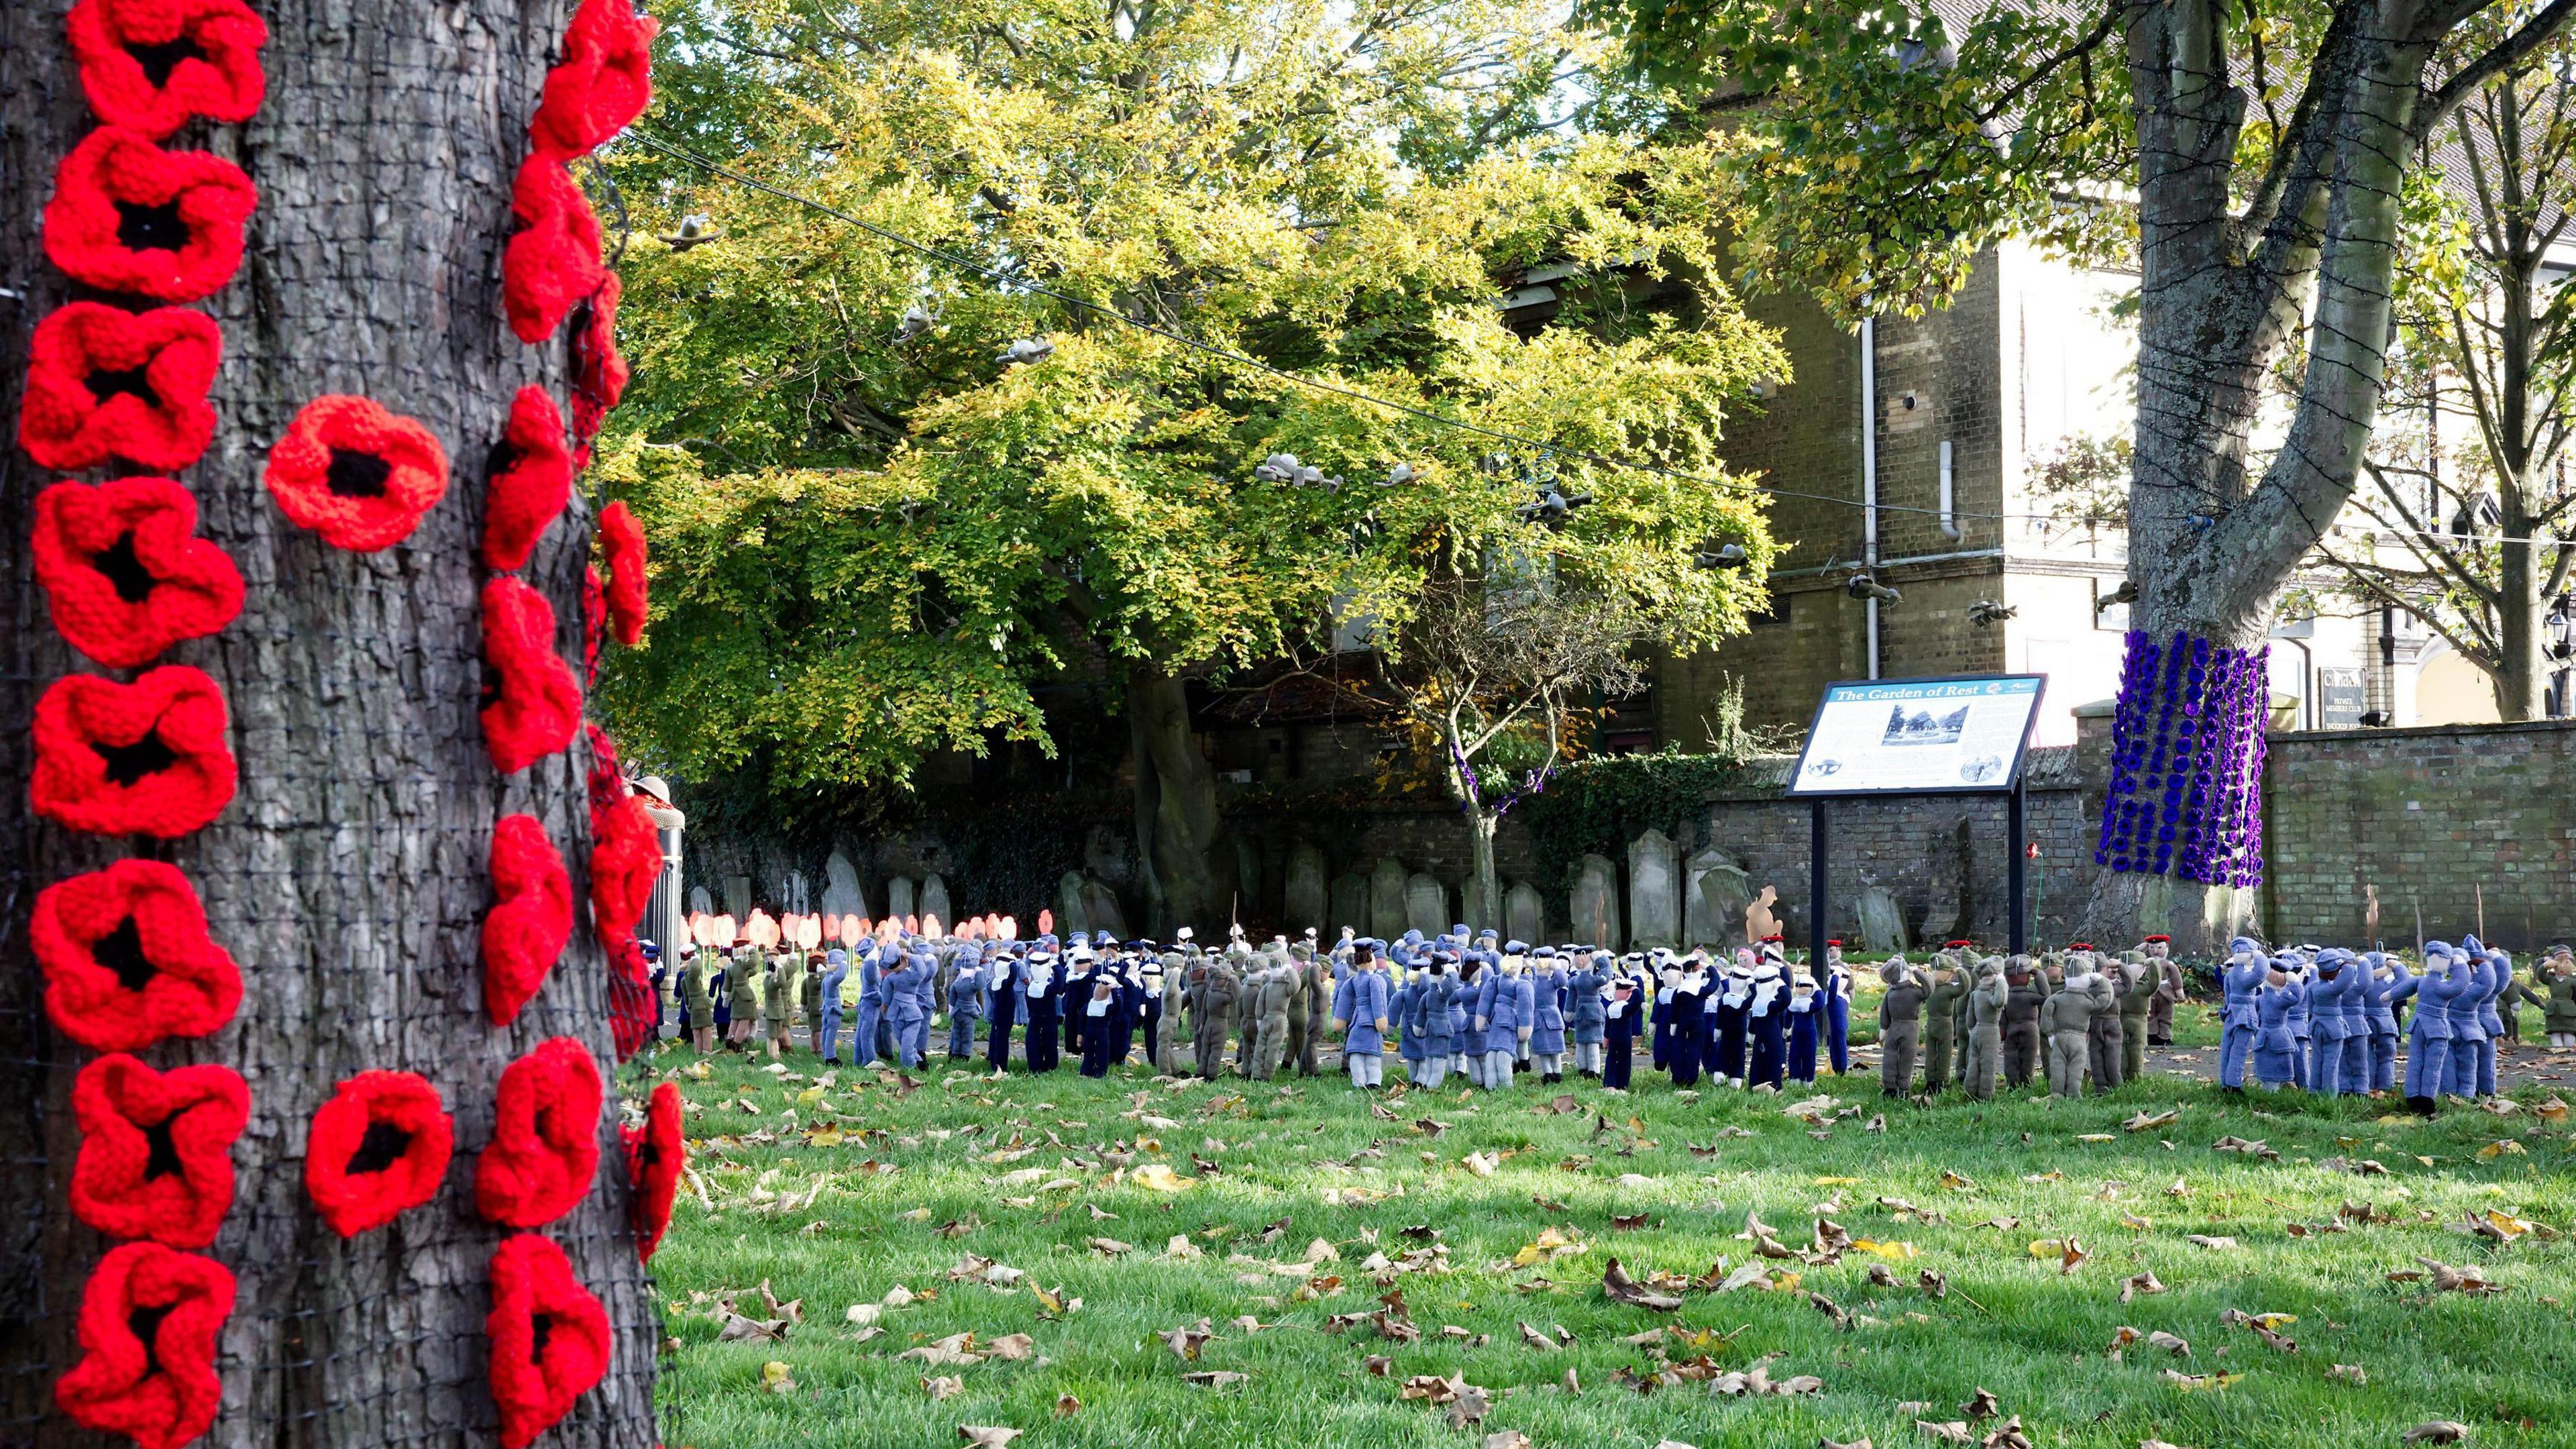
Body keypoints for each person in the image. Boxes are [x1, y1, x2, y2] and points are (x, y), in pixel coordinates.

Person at [1332, 943, 1393, 1089]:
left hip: (1356, 1024)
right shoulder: (1376, 980)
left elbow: (1343, 1001)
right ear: (1371, 959)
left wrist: (1338, 1021)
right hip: (1371, 1024)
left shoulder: (1351, 981)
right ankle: (1373, 1082)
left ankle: (1358, 1082)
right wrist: (1381, 1020)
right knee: (1372, 1057)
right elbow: (1379, 1002)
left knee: (1356, 1057)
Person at [2217, 937, 2267, 1091]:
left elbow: (2227, 995)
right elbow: (2261, 972)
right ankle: (2234, 1084)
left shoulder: (2231, 975)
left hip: (2231, 1013)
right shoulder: (2244, 976)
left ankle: (2225, 1082)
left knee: (2227, 1050)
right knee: (2239, 1051)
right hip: (2245, 1015)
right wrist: (2260, 956)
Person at [2041, 958, 2095, 1098]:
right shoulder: (2089, 1000)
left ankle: (2057, 1092)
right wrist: (2101, 980)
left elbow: (2046, 1013)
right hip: (2079, 1038)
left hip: (2060, 1036)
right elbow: (2105, 1002)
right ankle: (2073, 1092)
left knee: (2057, 1065)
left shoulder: (2057, 997)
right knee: (2076, 1067)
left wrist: (2050, 1034)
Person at [1878, 958, 1927, 1097]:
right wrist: (1916, 971)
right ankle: (1894, 1086)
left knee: (1896, 1056)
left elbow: (1884, 1013)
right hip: (1907, 1028)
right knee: (1901, 1057)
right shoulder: (1914, 992)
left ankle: (1897, 1086)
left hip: (1899, 1027)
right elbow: (1929, 987)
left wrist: (1883, 1029)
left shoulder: (1894, 992)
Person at [2250, 959, 2302, 1090]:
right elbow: (2298, 996)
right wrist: (2295, 982)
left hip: (2263, 1036)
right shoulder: (2281, 1000)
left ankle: (2270, 1088)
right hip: (2279, 1037)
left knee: (2267, 1064)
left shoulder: (2262, 998)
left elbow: (2251, 1009)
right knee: (2276, 1064)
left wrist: (2253, 1029)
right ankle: (2273, 1090)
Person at [1962, 955, 2007, 1101]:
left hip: (1976, 1030)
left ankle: (1970, 1091)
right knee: (1988, 1064)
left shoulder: (1976, 993)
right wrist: (2002, 983)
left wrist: (1971, 1030)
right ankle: (1986, 1094)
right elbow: (1999, 1001)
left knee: (1973, 1063)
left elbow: (1969, 1016)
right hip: (1990, 1030)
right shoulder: (1991, 992)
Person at [1922, 953, 1967, 1093]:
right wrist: (1960, 971)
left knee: (1930, 1053)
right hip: (1945, 1026)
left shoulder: (1929, 988)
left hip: (1931, 1024)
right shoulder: (1949, 990)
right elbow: (1965, 986)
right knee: (1944, 1054)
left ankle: (1930, 1080)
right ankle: (1942, 1081)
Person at [2000, 957, 2043, 1088]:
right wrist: (2039, 974)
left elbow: (2002, 1019)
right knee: (2028, 1059)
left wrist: (2001, 1033)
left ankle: (2013, 1084)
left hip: (2011, 1029)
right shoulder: (2031, 996)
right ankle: (2028, 1084)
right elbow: (2046, 995)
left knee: (2010, 1058)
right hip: (2031, 1030)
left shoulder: (2007, 997)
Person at [1567, 951, 1608, 1079]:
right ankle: (1594, 1070)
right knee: (1593, 1043)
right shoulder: (1595, 979)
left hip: (1580, 1013)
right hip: (1594, 1012)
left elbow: (1571, 999)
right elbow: (1607, 974)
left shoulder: (1575, 980)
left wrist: (1568, 1014)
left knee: (1581, 1043)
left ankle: (1582, 1068)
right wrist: (1601, 960)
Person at [1022, 943, 1063, 1073]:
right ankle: (1037, 1066)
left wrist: (1054, 965)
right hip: (1040, 1019)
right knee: (1035, 1043)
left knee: (1047, 1044)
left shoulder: (1037, 988)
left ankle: (1048, 1065)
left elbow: (1059, 984)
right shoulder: (1035, 987)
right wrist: (1055, 965)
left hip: (1042, 1019)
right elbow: (1059, 982)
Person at [1077, 973, 1122, 1077]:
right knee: (1088, 1052)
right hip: (1088, 1032)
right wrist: (1080, 1034)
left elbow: (1118, 1007)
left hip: (1102, 1032)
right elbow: (1082, 1018)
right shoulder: (1089, 1005)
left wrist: (1114, 990)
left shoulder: (1106, 1006)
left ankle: (1100, 1072)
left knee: (1102, 1052)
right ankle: (1086, 1070)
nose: (1098, 993)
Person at [945, 951, 987, 1062]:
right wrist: (980, 972)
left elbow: (952, 997)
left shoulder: (958, 982)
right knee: (967, 1036)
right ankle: (965, 1055)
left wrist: (951, 1009)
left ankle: (954, 1053)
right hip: (969, 1012)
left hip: (958, 1010)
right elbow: (980, 986)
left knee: (956, 1033)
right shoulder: (971, 984)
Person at [1602, 974, 1640, 1089]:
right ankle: (1622, 1083)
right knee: (1624, 1060)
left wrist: (1606, 1038)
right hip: (1624, 1038)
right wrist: (1637, 991)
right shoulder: (1622, 1007)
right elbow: (1637, 1002)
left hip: (1615, 1037)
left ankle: (1610, 1082)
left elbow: (1608, 1025)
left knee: (1613, 1059)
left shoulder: (1614, 1007)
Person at [1821, 941, 1854, 1075]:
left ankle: (1840, 1066)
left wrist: (1850, 997)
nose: (1829, 953)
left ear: (1838, 951)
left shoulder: (1840, 968)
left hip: (1841, 1000)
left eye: (1832, 950)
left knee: (1838, 1033)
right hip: (1830, 1001)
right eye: (1828, 950)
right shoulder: (1826, 966)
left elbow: (1850, 985)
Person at [1784, 971, 1821, 1085]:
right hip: (1796, 1034)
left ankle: (1808, 1080)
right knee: (1794, 1055)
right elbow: (1789, 1015)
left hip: (1809, 1033)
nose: (1799, 988)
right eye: (1798, 986)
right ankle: (1794, 1079)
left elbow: (1820, 1004)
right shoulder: (1794, 1003)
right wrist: (1787, 1028)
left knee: (1809, 1057)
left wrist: (1817, 989)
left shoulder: (1810, 1004)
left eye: (1803, 986)